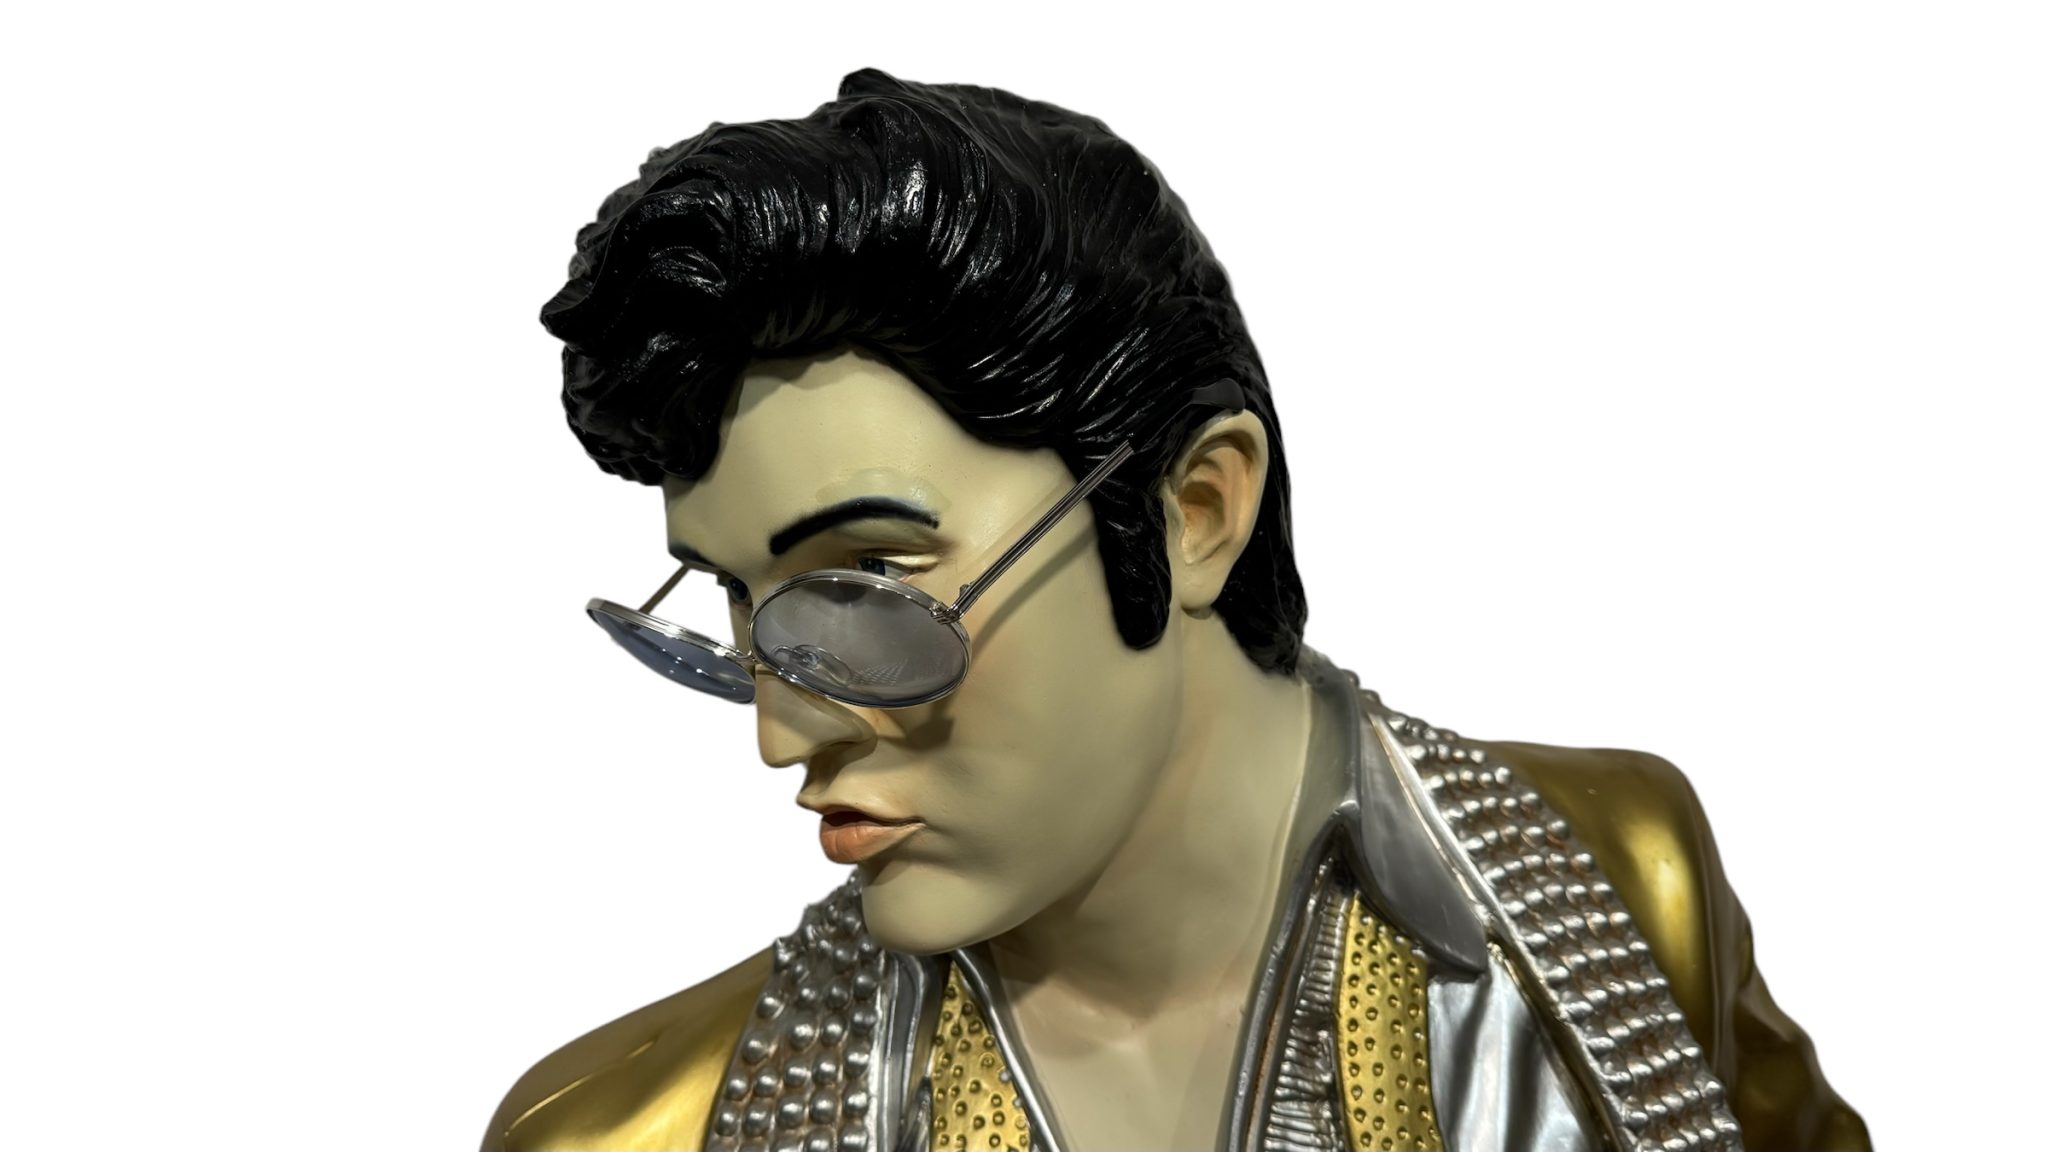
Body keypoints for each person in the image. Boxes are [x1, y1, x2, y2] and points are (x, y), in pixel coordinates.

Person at [482, 69, 1867, 1152]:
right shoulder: (635, 1132)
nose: (783, 736)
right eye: (742, 606)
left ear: (1195, 509)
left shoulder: (1617, 893)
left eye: (866, 588)